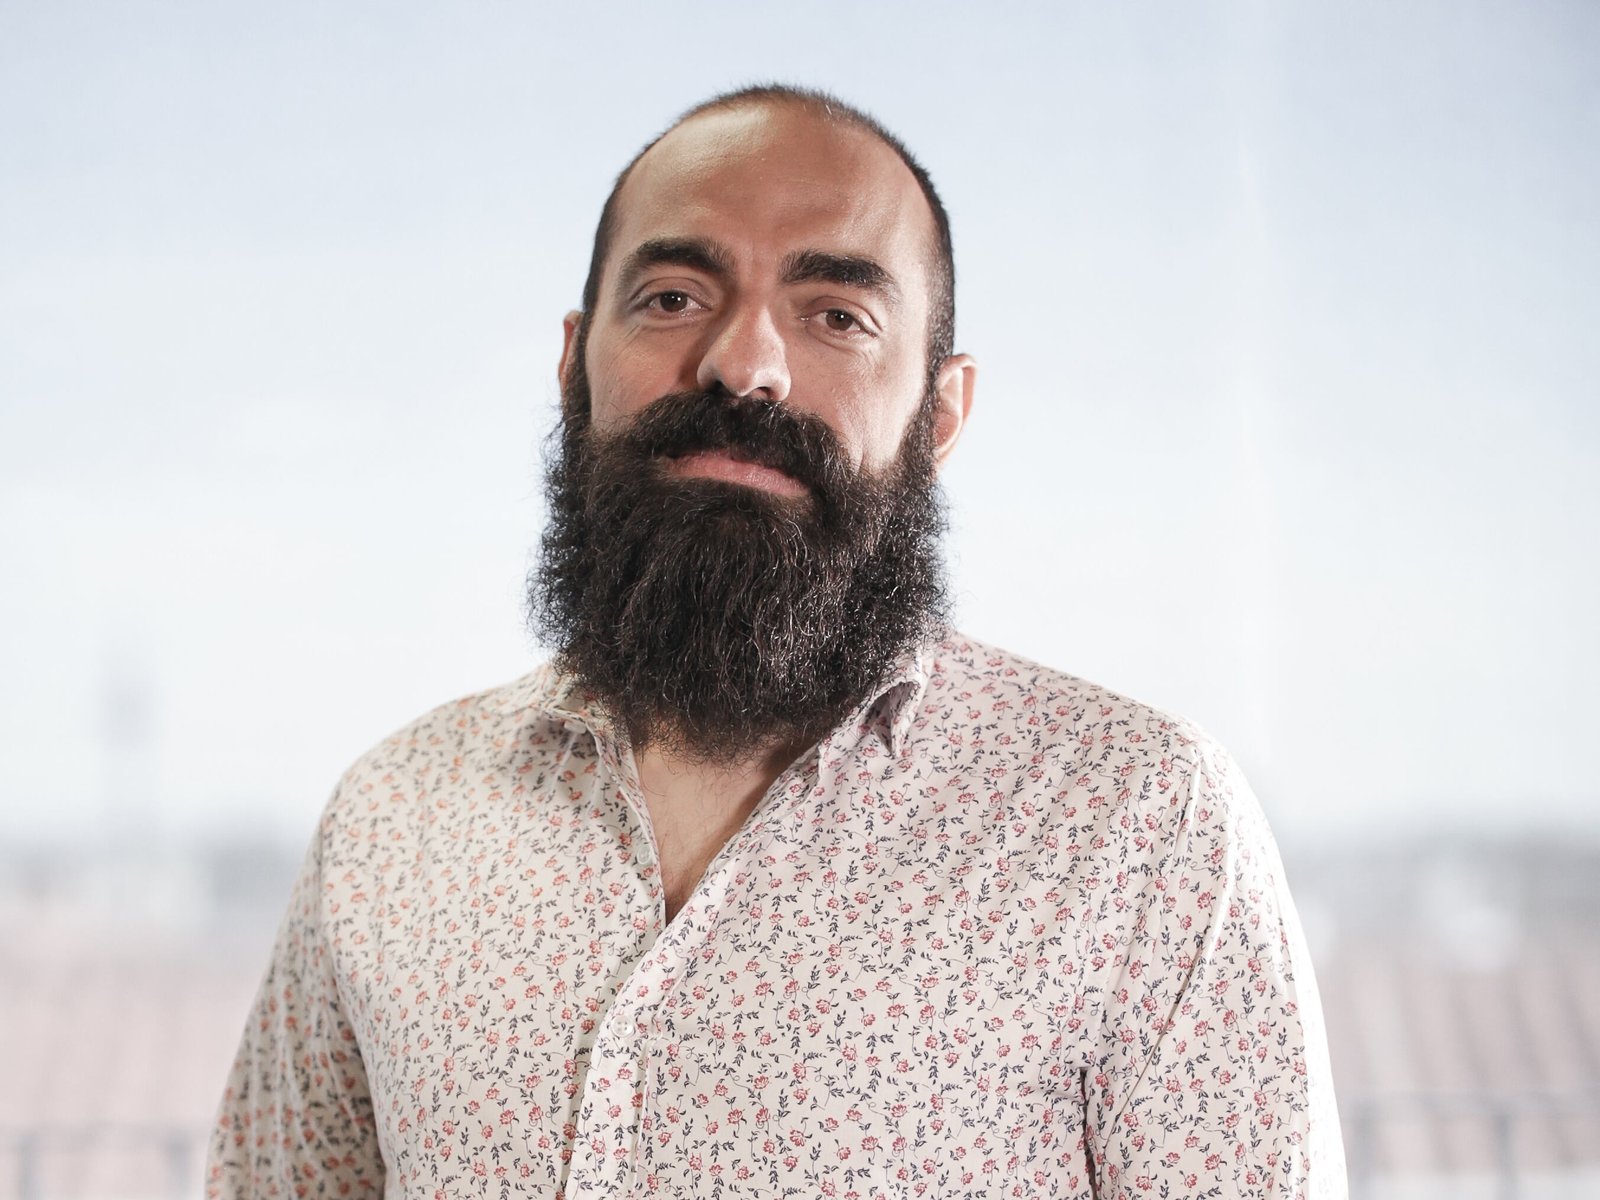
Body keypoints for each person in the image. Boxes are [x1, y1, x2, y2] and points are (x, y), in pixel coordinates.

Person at [208, 85, 1345, 1199]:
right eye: (671, 297)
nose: (743, 364)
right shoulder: (392, 815)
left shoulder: (1141, 822)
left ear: (941, 413)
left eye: (837, 316)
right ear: (572, 367)